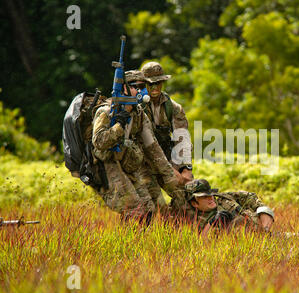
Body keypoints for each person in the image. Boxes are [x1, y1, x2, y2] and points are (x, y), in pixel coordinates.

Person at [91, 70, 184, 224]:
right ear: (125, 88)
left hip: (128, 164)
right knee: (134, 209)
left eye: (143, 86)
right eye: (137, 86)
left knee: (150, 208)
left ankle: (141, 241)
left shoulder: (139, 113)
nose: (142, 90)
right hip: (106, 166)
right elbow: (99, 142)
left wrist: (171, 178)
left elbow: (152, 147)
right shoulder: (107, 111)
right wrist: (119, 124)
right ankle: (126, 244)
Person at [139, 62, 193, 208]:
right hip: (142, 163)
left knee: (187, 196)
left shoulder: (173, 108)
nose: (155, 87)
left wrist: (185, 169)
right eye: (150, 84)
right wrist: (169, 168)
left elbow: (182, 139)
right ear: (144, 84)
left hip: (167, 158)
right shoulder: (136, 107)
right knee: (152, 206)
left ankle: (181, 226)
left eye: (158, 83)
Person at [179, 179, 275, 238]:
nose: (211, 198)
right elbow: (202, 244)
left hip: (267, 237)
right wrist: (212, 224)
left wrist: (265, 229)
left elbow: (253, 200)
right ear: (194, 203)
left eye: (211, 194)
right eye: (204, 197)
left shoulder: (225, 198)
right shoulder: (192, 220)